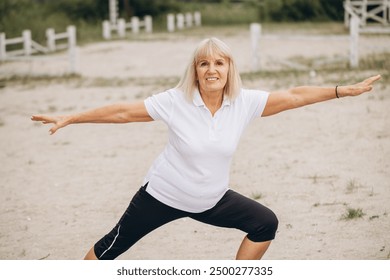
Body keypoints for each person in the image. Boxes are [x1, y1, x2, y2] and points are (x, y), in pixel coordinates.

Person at [31, 37, 381, 260]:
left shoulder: (244, 102)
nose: (212, 69)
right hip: (162, 196)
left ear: (229, 69)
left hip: (211, 199)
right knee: (110, 247)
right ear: (195, 71)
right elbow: (122, 112)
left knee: (265, 224)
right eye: (204, 63)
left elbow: (293, 96)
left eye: (219, 62)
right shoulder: (175, 101)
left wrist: (340, 90)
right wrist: (72, 117)